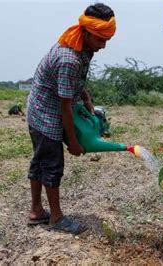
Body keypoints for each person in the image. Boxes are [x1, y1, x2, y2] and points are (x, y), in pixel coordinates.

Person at [26, 3, 116, 234]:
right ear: (86, 31)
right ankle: (56, 218)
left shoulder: (80, 45)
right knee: (52, 164)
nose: (103, 46)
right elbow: (65, 105)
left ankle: (36, 211)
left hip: (45, 108)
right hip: (46, 114)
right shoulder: (69, 58)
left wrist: (86, 100)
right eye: (99, 40)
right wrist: (74, 142)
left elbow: (75, 85)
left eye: (106, 40)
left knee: (40, 162)